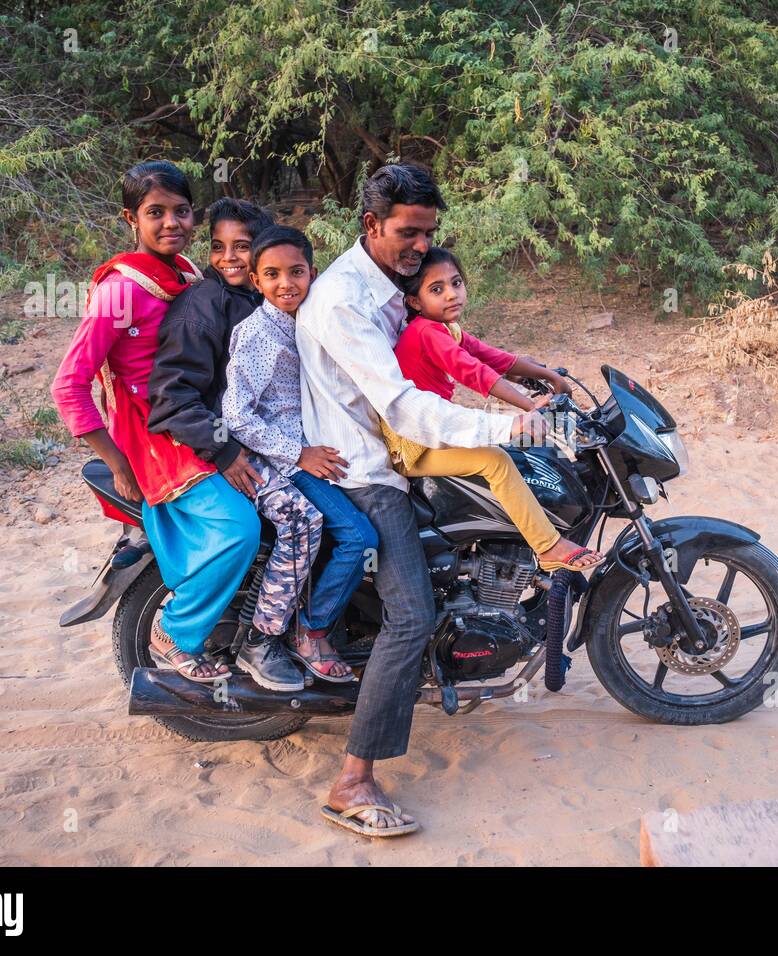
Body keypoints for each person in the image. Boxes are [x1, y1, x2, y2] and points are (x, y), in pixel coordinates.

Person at [296, 164, 551, 837]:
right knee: (411, 615)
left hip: (387, 458)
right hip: (365, 471)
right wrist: (503, 428)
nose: (419, 246)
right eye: (407, 233)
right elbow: (404, 405)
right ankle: (352, 782)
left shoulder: (388, 286)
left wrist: (527, 380)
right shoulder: (345, 301)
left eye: (429, 234)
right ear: (371, 225)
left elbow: (455, 349)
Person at [51, 161, 260, 685]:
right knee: (238, 529)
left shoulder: (187, 271)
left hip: (199, 417)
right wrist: (115, 461)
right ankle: (177, 631)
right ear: (131, 219)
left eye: (181, 211)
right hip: (157, 435)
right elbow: (68, 383)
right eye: (155, 213)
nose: (171, 223)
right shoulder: (122, 289)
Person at [222, 225, 377, 690]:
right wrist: (299, 454)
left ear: (314, 272)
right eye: (272, 275)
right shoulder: (257, 335)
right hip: (277, 461)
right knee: (356, 536)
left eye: (296, 272)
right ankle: (291, 631)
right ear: (255, 280)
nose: (285, 283)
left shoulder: (310, 318)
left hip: (311, 451)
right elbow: (236, 415)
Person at [389, 246, 604, 572]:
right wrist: (528, 406)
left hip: (433, 431)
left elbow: (491, 357)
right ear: (415, 302)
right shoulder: (425, 333)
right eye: (437, 289)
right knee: (497, 461)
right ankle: (547, 546)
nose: (451, 294)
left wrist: (546, 375)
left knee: (524, 448)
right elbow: (472, 372)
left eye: (456, 283)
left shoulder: (446, 329)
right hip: (415, 445)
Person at [147, 197, 274, 500]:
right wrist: (223, 449)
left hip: (269, 434)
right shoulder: (202, 306)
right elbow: (172, 397)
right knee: (302, 518)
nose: (227, 257)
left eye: (241, 246)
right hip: (230, 444)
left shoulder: (263, 295)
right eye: (218, 246)